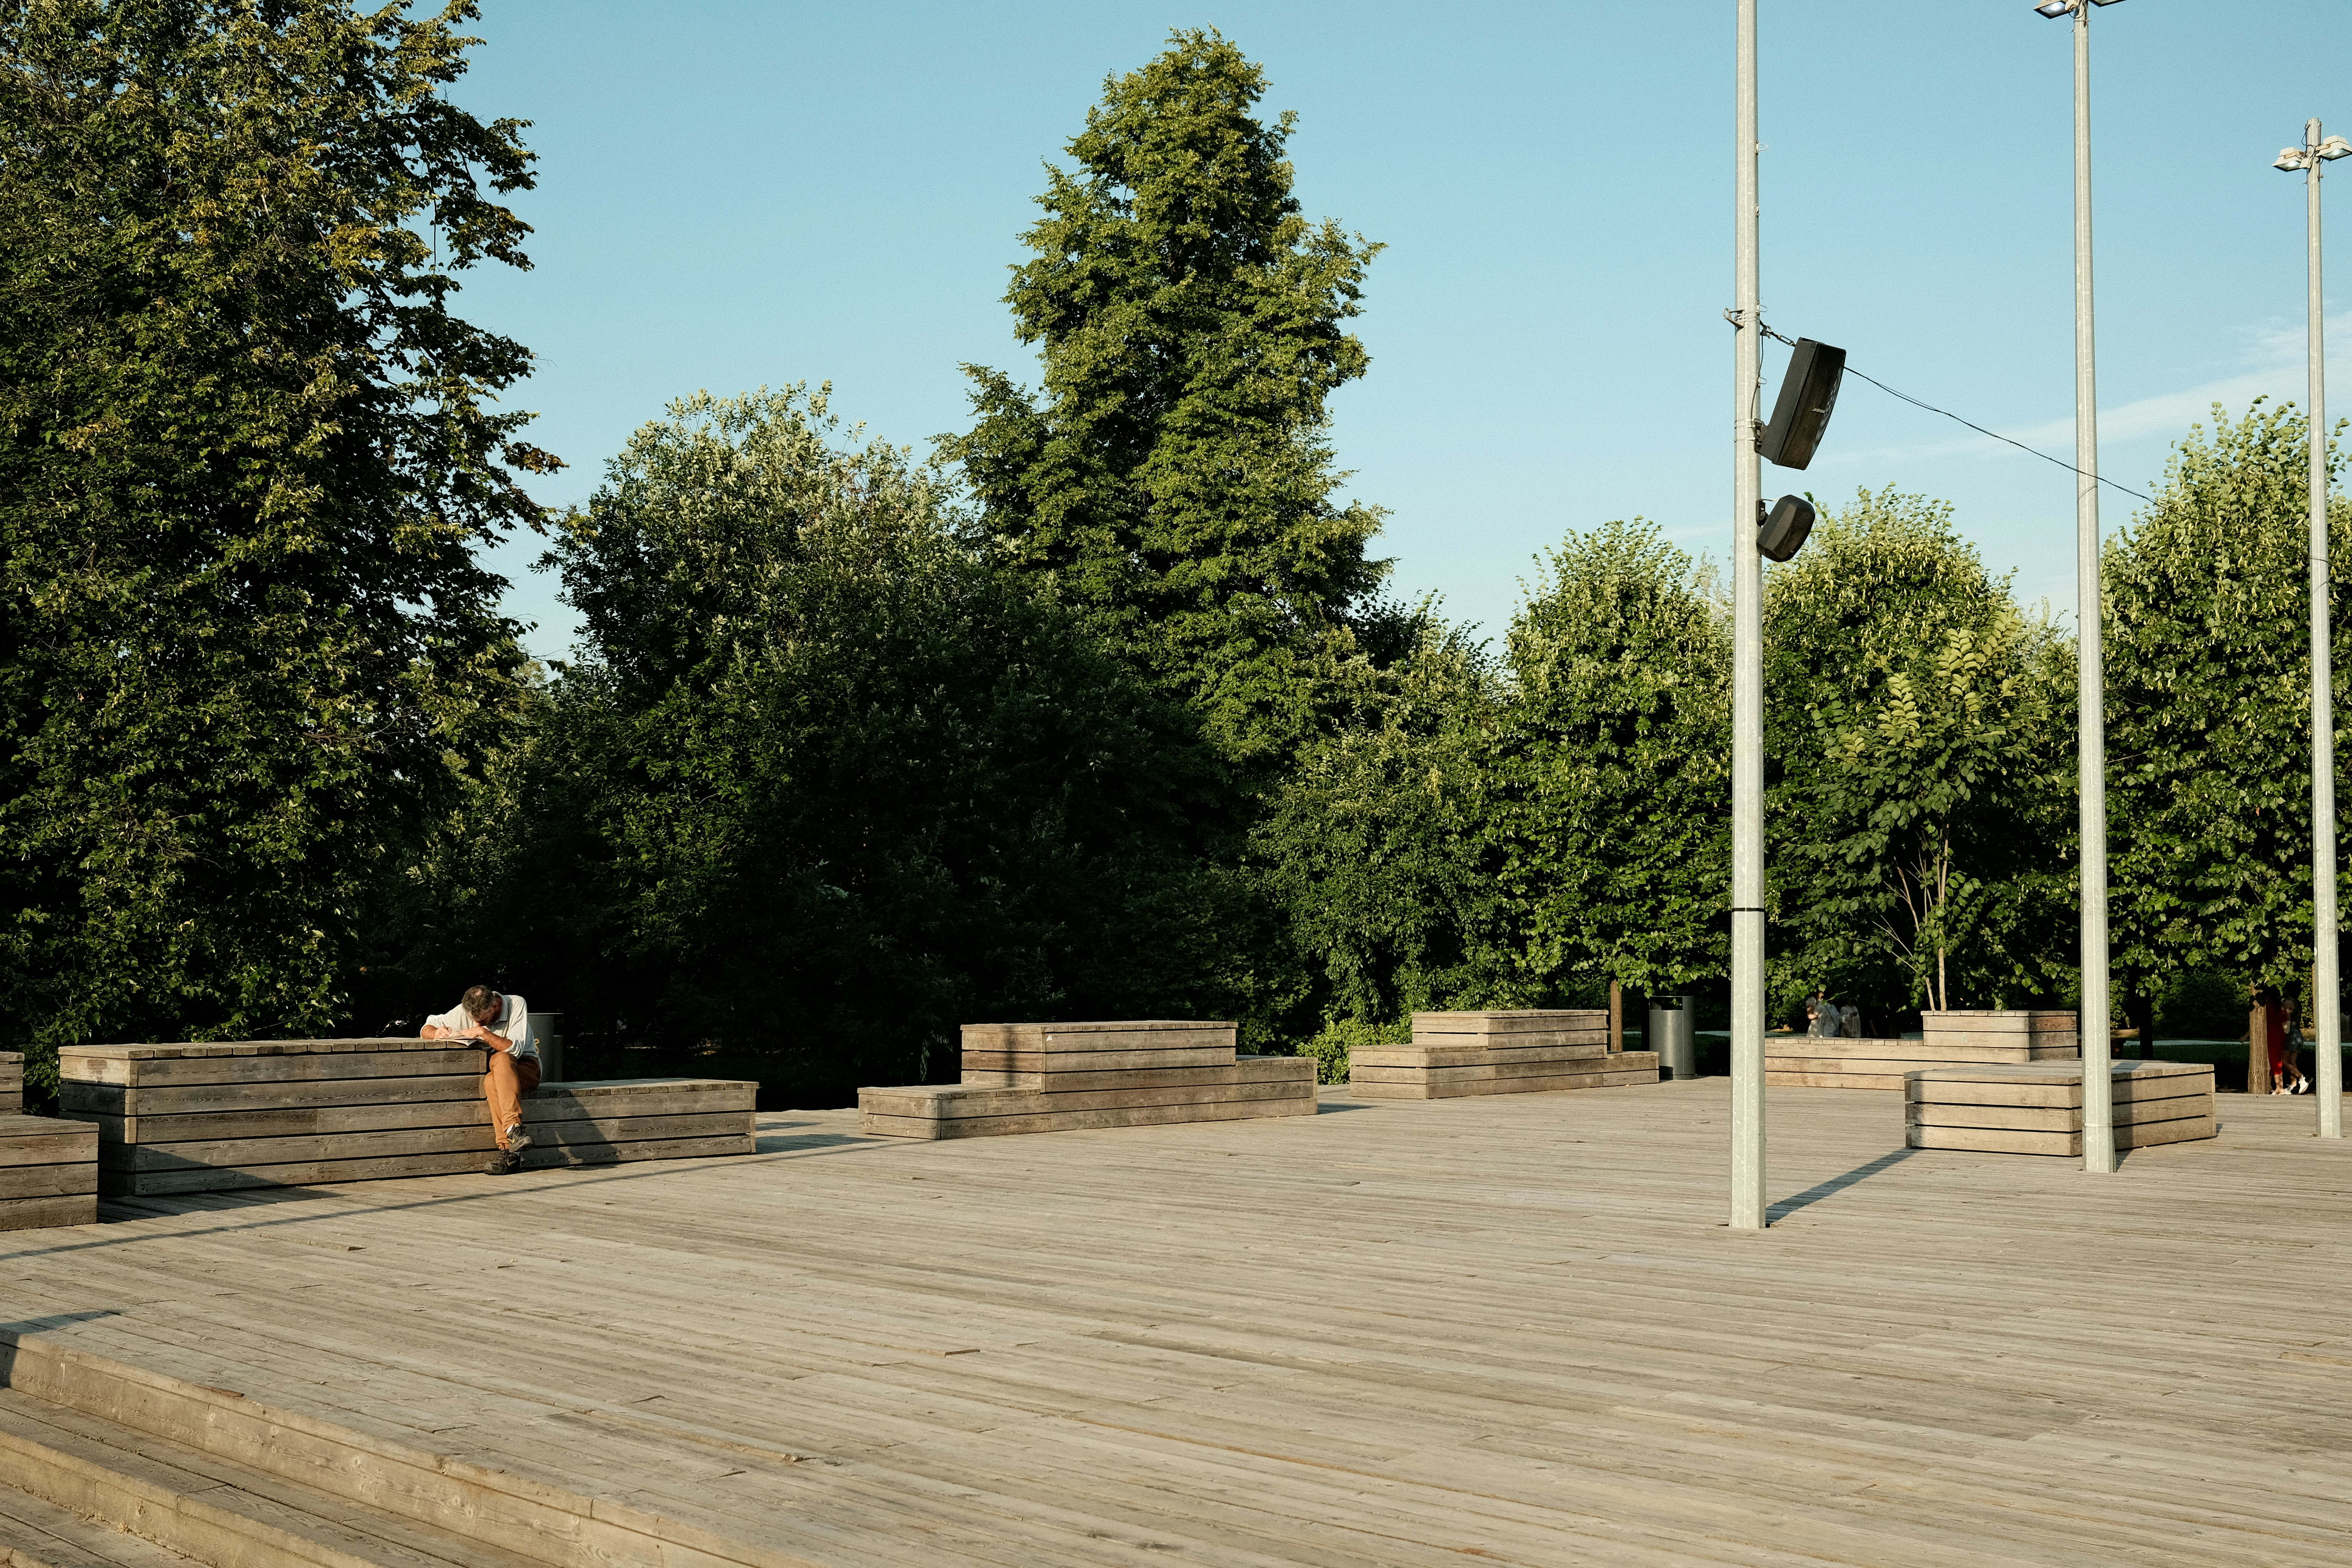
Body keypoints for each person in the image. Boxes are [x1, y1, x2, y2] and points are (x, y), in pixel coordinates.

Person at [422, 985, 540, 1173]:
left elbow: (515, 1050)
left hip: (525, 1066)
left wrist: (483, 1033)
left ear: (495, 1005)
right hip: (497, 1074)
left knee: (501, 1059)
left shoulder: (516, 1003)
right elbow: (427, 1026)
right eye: (474, 1021)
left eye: (483, 1020)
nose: (477, 1024)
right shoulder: (466, 1010)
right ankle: (511, 1143)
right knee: (491, 1081)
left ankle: (509, 1139)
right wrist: (435, 1033)